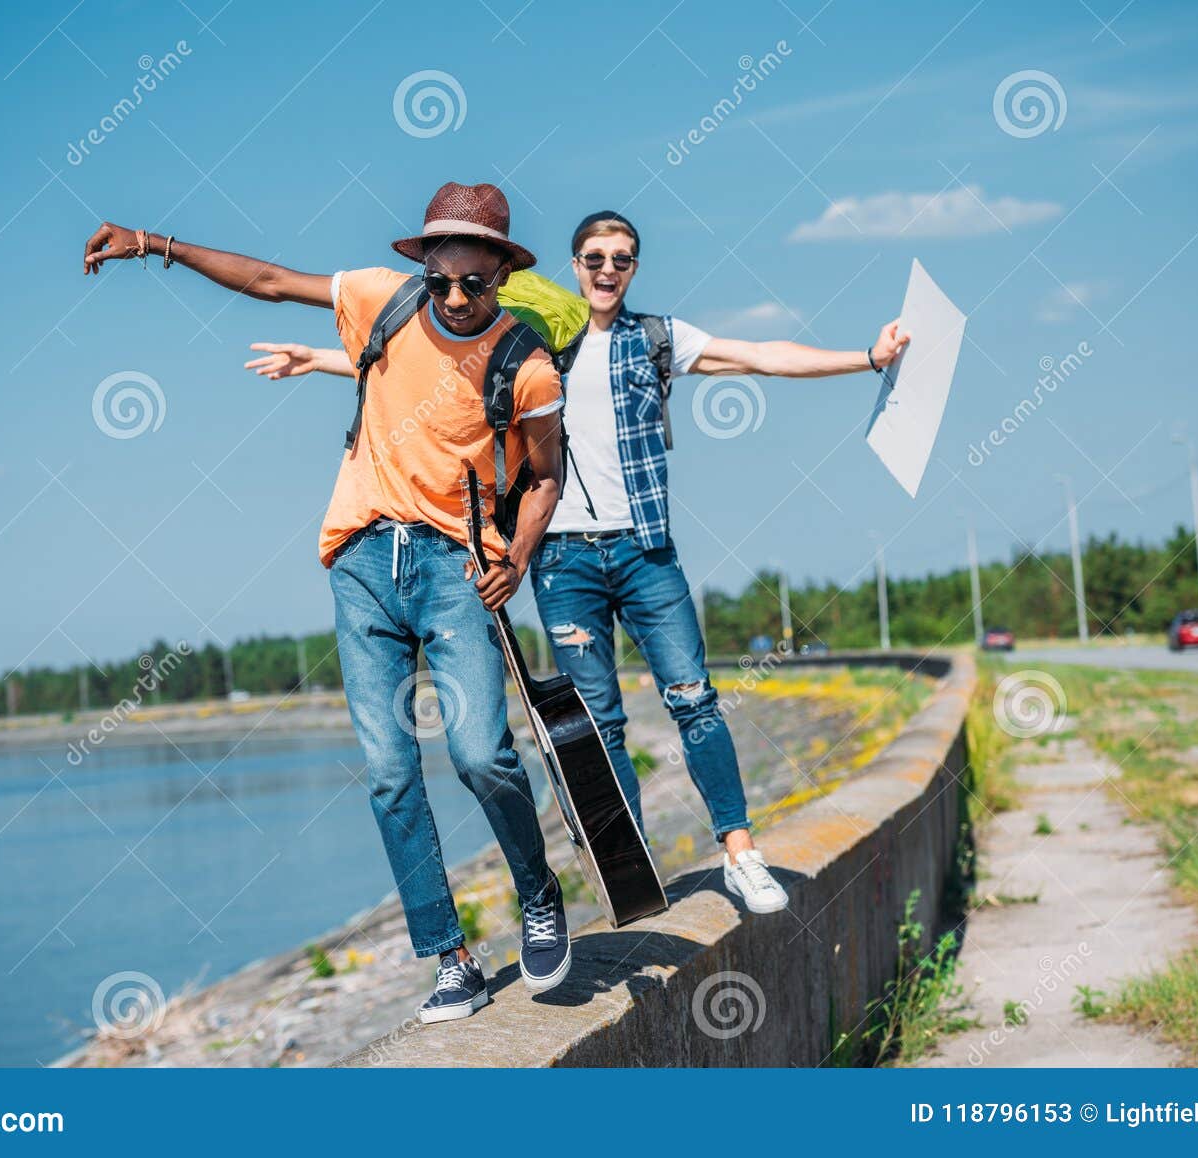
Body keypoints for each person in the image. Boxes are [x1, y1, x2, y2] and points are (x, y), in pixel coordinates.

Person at [245, 209, 908, 918]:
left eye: (622, 258)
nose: (607, 269)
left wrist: (864, 359)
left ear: (634, 268)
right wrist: (316, 359)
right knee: (599, 723)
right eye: (594, 256)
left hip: (646, 548)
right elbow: (424, 375)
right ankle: (636, 870)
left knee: (693, 698)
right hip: (563, 560)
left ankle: (741, 854)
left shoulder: (655, 340)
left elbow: (760, 356)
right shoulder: (533, 348)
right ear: (573, 264)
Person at [82, 182, 573, 1024]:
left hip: (460, 564)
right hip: (359, 562)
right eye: (443, 279)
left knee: (481, 754)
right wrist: (154, 242)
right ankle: (450, 956)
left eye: (475, 283)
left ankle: (538, 892)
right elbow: (270, 280)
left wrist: (519, 556)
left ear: (501, 272)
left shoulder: (524, 364)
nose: (456, 298)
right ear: (423, 265)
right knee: (388, 772)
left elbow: (547, 476)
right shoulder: (385, 300)